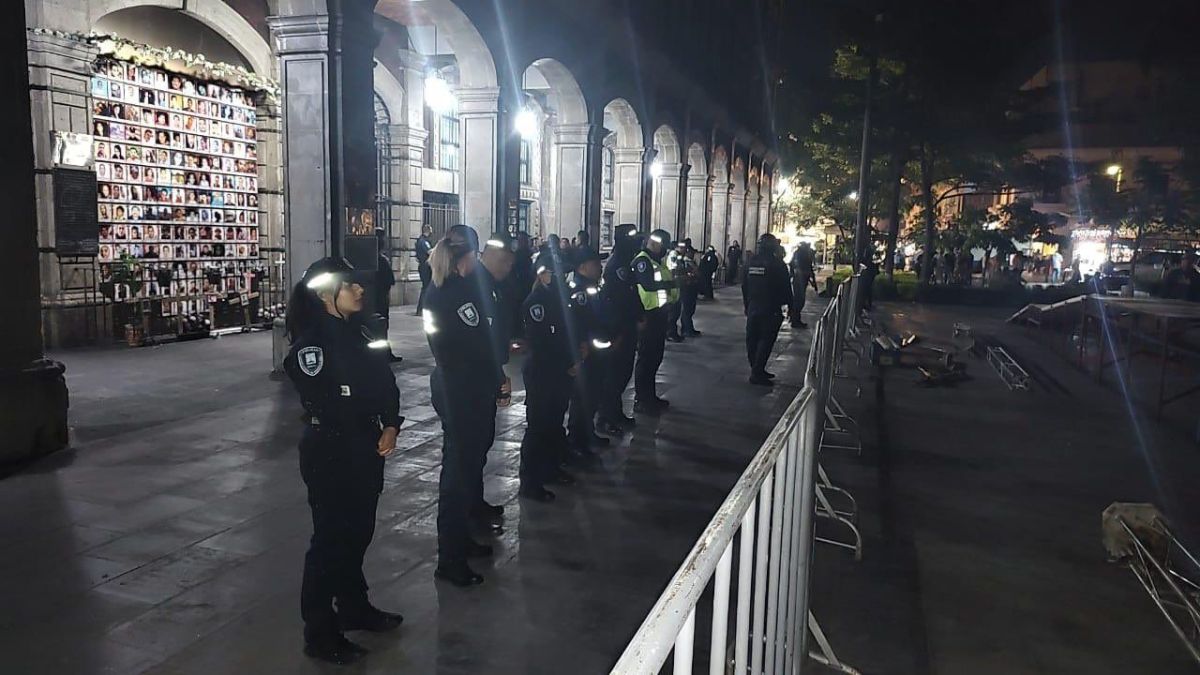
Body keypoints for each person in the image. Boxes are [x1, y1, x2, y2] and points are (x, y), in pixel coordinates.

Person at [284, 257, 404, 665]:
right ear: (324, 294)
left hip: (366, 442)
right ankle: (319, 632)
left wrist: (390, 423)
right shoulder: (311, 346)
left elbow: (386, 382)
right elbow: (331, 399)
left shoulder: (364, 331)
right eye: (350, 286)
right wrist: (365, 407)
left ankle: (354, 606)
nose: (359, 291)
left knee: (358, 531)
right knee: (331, 541)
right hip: (331, 448)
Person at [423, 225, 509, 588]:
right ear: (463, 260)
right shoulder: (451, 296)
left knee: (469, 467)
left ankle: (462, 541)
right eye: (474, 256)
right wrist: (496, 376)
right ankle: (450, 558)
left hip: (464, 387)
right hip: (461, 390)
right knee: (457, 476)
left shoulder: (451, 291)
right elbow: (474, 347)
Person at [520, 251, 583, 502]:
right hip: (543, 373)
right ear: (543, 275)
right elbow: (544, 343)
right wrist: (566, 364)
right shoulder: (536, 303)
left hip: (560, 372)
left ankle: (551, 469)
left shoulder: (559, 299)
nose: (562, 278)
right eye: (556, 274)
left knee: (554, 425)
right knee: (539, 428)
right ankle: (531, 482)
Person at [470, 233, 518, 527]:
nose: (508, 271)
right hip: (471, 382)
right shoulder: (476, 288)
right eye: (507, 265)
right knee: (469, 452)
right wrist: (499, 375)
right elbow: (479, 343)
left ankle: (475, 504)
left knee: (480, 447)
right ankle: (468, 514)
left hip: (485, 376)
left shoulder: (493, 286)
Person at [596, 224, 642, 434]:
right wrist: (621, 330)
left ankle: (615, 413)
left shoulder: (624, 262)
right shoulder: (618, 266)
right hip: (618, 326)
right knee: (614, 375)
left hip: (626, 325)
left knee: (623, 373)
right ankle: (606, 417)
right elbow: (623, 298)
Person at [567, 245, 612, 455]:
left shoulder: (592, 285)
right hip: (586, 355)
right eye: (596, 264)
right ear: (583, 266)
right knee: (583, 397)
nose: (600, 267)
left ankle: (587, 433)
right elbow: (581, 322)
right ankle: (577, 440)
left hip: (597, 352)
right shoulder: (578, 289)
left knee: (593, 396)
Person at [633, 229, 679, 413]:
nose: (665, 251)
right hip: (648, 316)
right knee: (646, 359)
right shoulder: (642, 261)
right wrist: (672, 284)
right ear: (656, 243)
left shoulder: (656, 262)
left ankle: (650, 396)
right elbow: (648, 284)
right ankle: (641, 399)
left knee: (655, 358)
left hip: (659, 315)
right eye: (664, 247)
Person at [742, 234, 792, 386]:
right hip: (771, 308)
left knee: (752, 339)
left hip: (753, 306)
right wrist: (790, 306)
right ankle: (757, 372)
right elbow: (786, 288)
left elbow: (744, 285)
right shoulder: (778, 264)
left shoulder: (750, 263)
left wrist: (747, 305)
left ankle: (756, 369)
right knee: (766, 339)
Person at [374, 229, 401, 362]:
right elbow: (390, 280)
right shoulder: (382, 260)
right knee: (382, 326)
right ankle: (384, 353)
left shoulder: (367, 259)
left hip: (372, 298)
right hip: (380, 298)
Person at [667, 241, 700, 341]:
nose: (685, 251)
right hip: (675, 287)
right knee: (674, 312)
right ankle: (671, 333)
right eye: (684, 248)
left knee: (679, 311)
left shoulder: (679, 257)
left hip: (679, 286)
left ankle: (679, 331)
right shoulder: (674, 255)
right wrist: (685, 276)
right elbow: (673, 271)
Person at [788, 242, 817, 328]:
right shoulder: (804, 255)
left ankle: (794, 318)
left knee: (798, 300)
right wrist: (813, 281)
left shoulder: (797, 253)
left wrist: (792, 274)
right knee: (799, 301)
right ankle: (795, 319)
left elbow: (791, 264)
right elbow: (809, 269)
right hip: (801, 279)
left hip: (798, 279)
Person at [414, 224, 433, 315]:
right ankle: (421, 309)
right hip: (425, 266)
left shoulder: (419, 240)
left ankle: (422, 308)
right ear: (428, 231)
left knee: (426, 287)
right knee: (426, 287)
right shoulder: (423, 241)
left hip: (422, 265)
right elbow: (429, 252)